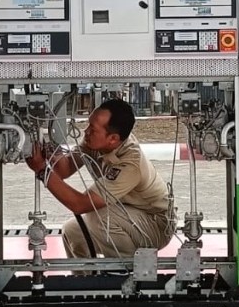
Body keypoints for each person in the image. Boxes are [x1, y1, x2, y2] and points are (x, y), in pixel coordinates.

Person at [25, 98, 175, 260]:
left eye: (93, 129)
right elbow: (65, 168)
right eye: (89, 125)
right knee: (72, 231)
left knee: (99, 215)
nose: (86, 132)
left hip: (156, 225)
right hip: (126, 216)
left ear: (113, 139)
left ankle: (124, 274)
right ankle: (88, 280)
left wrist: (42, 170)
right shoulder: (97, 141)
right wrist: (48, 151)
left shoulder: (130, 164)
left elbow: (80, 204)